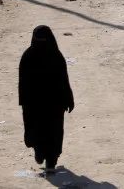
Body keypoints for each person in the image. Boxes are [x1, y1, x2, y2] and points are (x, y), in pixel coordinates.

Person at [18, 26, 74, 176]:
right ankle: (47, 158)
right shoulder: (56, 55)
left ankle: (46, 158)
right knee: (52, 131)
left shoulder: (28, 56)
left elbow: (63, 80)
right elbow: (64, 80)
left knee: (42, 130)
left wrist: (23, 103)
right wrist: (68, 99)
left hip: (39, 104)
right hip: (50, 104)